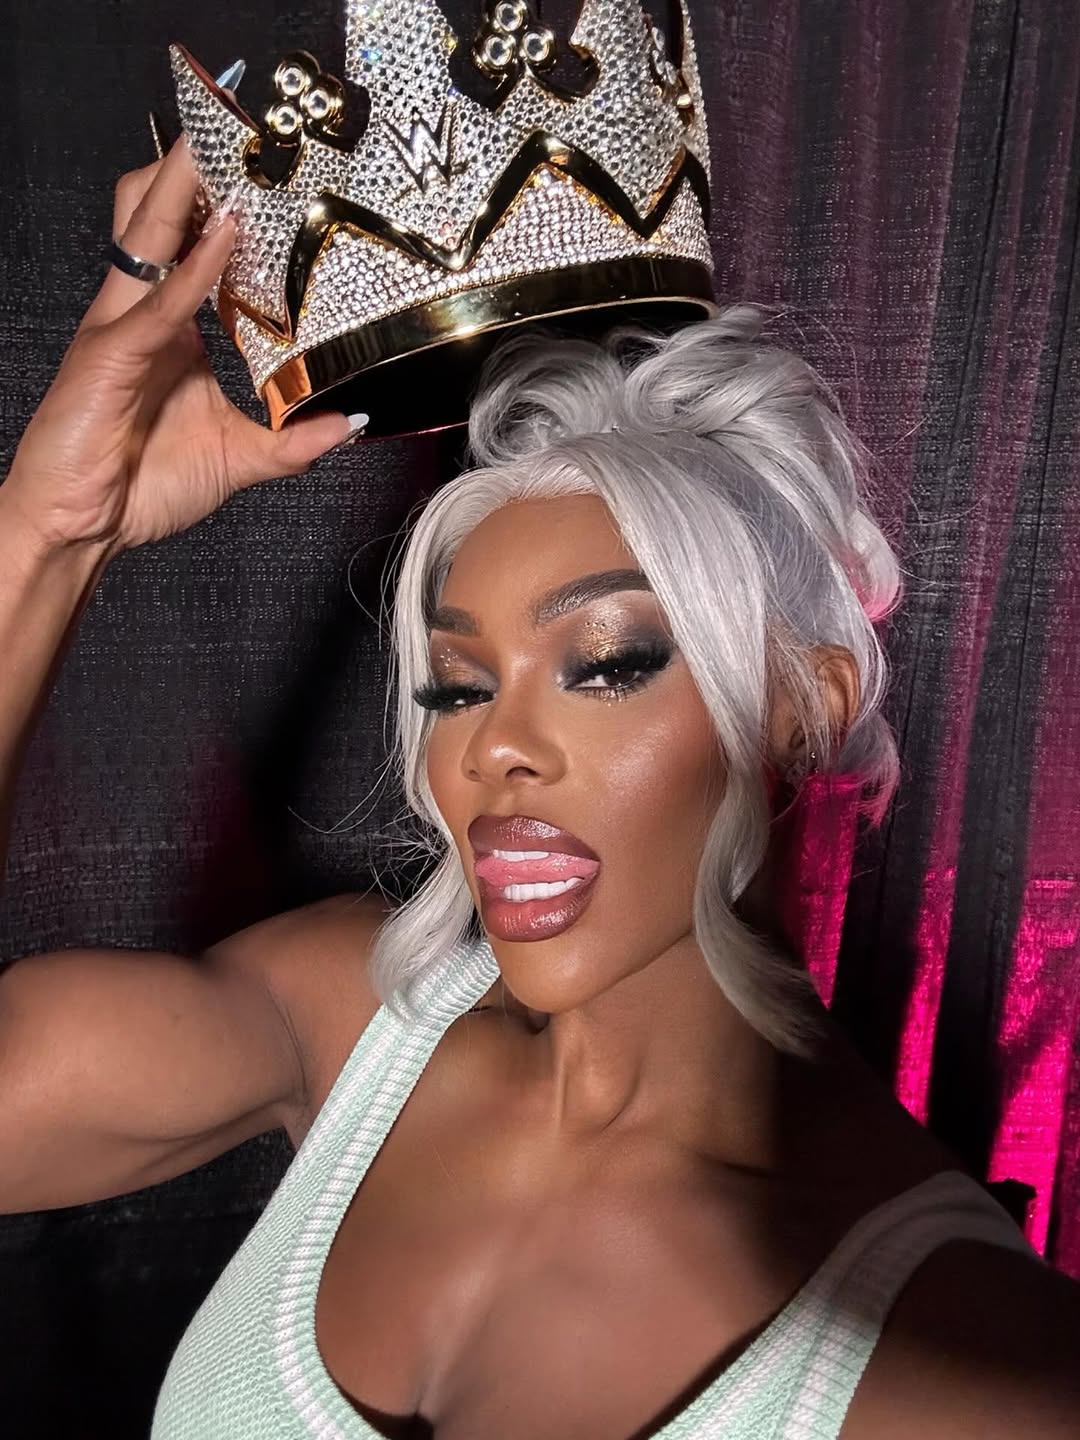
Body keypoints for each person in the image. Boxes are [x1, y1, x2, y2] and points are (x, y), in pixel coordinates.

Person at [1, 135, 1078, 1440]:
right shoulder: (353, 1024)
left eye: (607, 663)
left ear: (804, 703)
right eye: (458, 687)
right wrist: (48, 534)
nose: (493, 749)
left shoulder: (969, 1363)